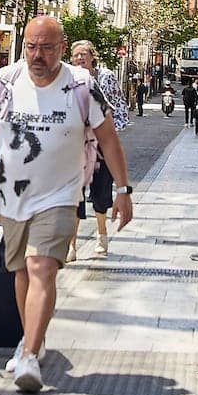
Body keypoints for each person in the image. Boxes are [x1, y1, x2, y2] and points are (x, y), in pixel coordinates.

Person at [0, 16, 134, 392]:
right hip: (12, 195)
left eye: (46, 47)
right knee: (22, 272)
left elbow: (108, 139)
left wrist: (123, 191)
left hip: (61, 195)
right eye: (31, 46)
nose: (37, 55)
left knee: (41, 265)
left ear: (62, 48)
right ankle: (34, 337)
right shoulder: (3, 84)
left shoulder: (81, 86)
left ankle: (29, 355)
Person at [65, 39, 130, 262]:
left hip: (101, 146)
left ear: (93, 57)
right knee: (73, 195)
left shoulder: (106, 78)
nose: (80, 58)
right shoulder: (66, 78)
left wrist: (108, 132)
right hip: (75, 145)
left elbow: (121, 110)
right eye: (76, 55)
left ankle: (102, 236)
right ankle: (71, 246)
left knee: (101, 194)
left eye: (84, 54)